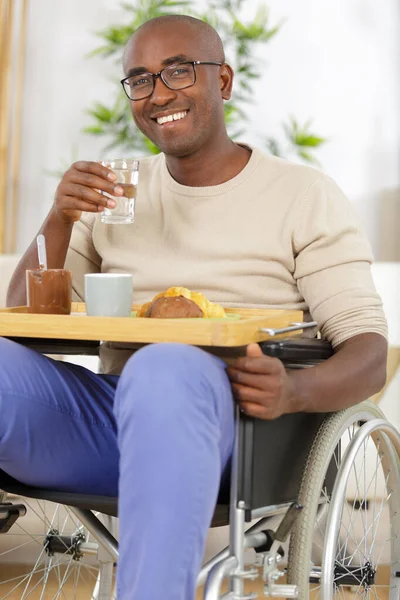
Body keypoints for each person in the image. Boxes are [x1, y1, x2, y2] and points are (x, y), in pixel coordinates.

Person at [3, 13, 387, 600]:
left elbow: (368, 352)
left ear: (223, 82)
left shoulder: (303, 195)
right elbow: (23, 320)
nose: (158, 95)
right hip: (112, 421)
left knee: (166, 365)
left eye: (177, 72)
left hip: (243, 431)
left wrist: (293, 391)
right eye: (140, 80)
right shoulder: (114, 195)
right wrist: (59, 218)